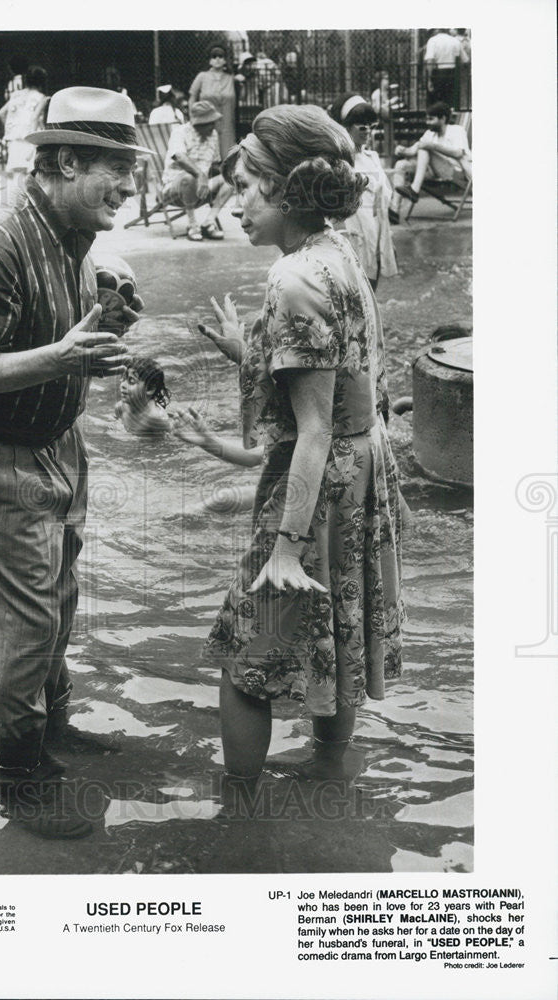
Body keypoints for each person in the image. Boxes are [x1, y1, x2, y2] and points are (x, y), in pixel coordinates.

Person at [0, 87, 149, 837]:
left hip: (55, 436)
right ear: (62, 160)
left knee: (55, 605)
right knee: (23, 627)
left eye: (131, 171)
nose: (128, 188)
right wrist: (65, 354)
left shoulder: (71, 230)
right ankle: (14, 773)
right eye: (113, 171)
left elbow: (65, 320)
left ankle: (50, 731)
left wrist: (102, 310)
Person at [195, 105, 405, 804]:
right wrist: (248, 350)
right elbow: (345, 373)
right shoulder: (336, 250)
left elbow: (311, 427)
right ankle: (326, 767)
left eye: (248, 185)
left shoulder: (289, 279)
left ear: (288, 190)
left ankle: (238, 807)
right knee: (338, 625)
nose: (236, 203)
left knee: (243, 656)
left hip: (320, 477)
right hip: (362, 465)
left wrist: (284, 548)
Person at [328, 94, 397, 283]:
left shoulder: (372, 157)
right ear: (346, 127)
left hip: (375, 229)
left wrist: (387, 236)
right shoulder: (338, 161)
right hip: (351, 230)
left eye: (370, 126)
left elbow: (383, 196)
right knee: (354, 283)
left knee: (371, 281)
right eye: (361, 126)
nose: (367, 131)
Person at [160, 101, 234, 242]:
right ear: (199, 123)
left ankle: (208, 222)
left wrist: (230, 169)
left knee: (231, 178)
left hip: (201, 188)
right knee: (189, 177)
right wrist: (200, 175)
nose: (213, 126)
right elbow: (179, 157)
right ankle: (193, 225)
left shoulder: (212, 135)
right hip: (174, 190)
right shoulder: (180, 132)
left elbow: (215, 165)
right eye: (210, 122)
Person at [391, 100, 472, 214]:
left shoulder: (457, 130)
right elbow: (413, 150)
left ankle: (414, 190)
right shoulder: (430, 133)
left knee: (426, 146)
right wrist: (402, 150)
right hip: (433, 171)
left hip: (456, 171)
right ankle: (394, 210)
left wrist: (433, 146)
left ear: (443, 119)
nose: (427, 122)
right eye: (427, 119)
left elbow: (458, 153)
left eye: (431, 119)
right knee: (401, 165)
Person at [0, 64, 48, 181]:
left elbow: (1, 113)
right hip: (31, 138)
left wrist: (12, 128)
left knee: (17, 179)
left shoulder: (16, 95)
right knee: (34, 177)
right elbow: (35, 118)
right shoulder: (41, 97)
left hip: (15, 139)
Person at [188, 44, 237, 158]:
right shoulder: (202, 76)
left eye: (221, 56)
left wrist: (242, 83)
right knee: (207, 153)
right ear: (209, 60)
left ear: (225, 60)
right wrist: (192, 116)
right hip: (206, 122)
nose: (218, 59)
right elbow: (192, 97)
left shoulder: (230, 77)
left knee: (227, 154)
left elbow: (242, 97)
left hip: (227, 122)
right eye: (214, 57)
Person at [114, 357, 171, 435]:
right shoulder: (120, 408)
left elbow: (166, 444)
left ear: (150, 389)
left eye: (131, 381)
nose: (122, 385)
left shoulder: (156, 419)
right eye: (123, 379)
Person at [423, 28, 467, 105]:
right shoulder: (455, 41)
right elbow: (465, 60)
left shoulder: (433, 41)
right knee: (451, 101)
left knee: (436, 101)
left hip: (438, 73)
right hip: (453, 73)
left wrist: (429, 79)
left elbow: (430, 60)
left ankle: (438, 115)